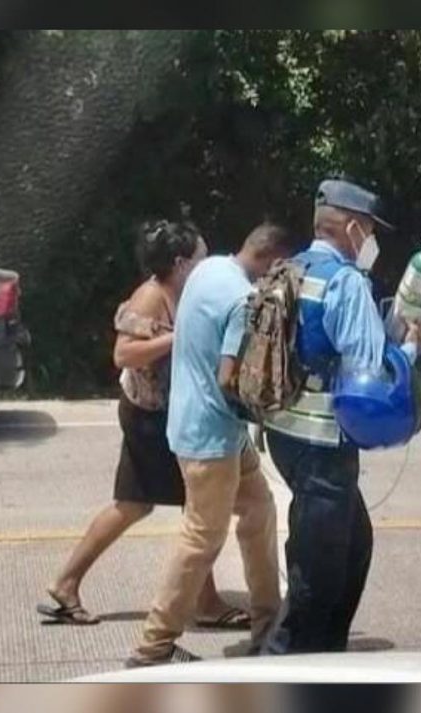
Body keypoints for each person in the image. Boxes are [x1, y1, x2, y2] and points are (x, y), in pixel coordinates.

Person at [39, 219, 249, 629]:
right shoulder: (152, 295)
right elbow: (123, 354)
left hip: (168, 413)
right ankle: (70, 583)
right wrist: (179, 336)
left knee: (177, 508)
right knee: (151, 506)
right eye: (201, 257)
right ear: (180, 262)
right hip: (148, 416)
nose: (207, 263)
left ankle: (201, 598)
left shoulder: (184, 291)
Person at [260, 179, 421, 655]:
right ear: (353, 228)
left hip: (286, 434)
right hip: (322, 442)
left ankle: (328, 652)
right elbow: (369, 379)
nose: (372, 240)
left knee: (354, 544)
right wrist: (413, 348)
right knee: (319, 574)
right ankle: (289, 664)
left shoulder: (291, 270)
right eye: (370, 230)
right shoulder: (345, 282)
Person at [125, 222, 292, 666]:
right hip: (211, 437)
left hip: (199, 426)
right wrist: (269, 407)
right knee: (201, 536)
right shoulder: (242, 301)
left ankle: (267, 624)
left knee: (259, 509)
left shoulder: (209, 268)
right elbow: (228, 377)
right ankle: (153, 647)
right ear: (274, 263)